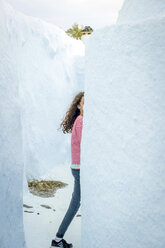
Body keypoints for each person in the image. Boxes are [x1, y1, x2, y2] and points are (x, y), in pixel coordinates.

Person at [50, 92, 84, 248]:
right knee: (75, 204)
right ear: (78, 106)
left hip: (78, 167)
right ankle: (57, 240)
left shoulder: (80, 120)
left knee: (76, 203)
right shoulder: (81, 121)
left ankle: (57, 240)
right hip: (79, 168)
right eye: (84, 103)